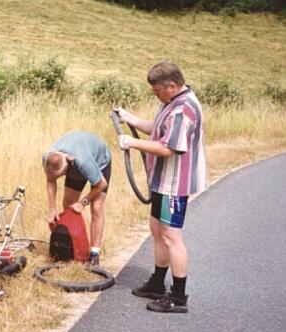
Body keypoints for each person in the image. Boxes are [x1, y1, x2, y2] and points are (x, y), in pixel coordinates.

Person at [115, 61, 207, 313]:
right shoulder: (170, 103)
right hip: (161, 181)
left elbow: (168, 147)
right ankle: (157, 283)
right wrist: (129, 118)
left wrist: (132, 143)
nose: (155, 95)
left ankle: (178, 297)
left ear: (172, 85)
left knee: (171, 236)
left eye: (157, 91)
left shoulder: (184, 109)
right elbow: (158, 131)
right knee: (157, 229)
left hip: (174, 185)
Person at [43, 131, 112, 265]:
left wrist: (83, 202)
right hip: (75, 161)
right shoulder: (48, 158)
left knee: (96, 207)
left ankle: (94, 253)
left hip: (100, 162)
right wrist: (52, 208)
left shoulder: (83, 161)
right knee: (69, 204)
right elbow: (50, 180)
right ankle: (72, 246)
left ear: (69, 161)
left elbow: (101, 184)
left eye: (63, 174)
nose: (62, 177)